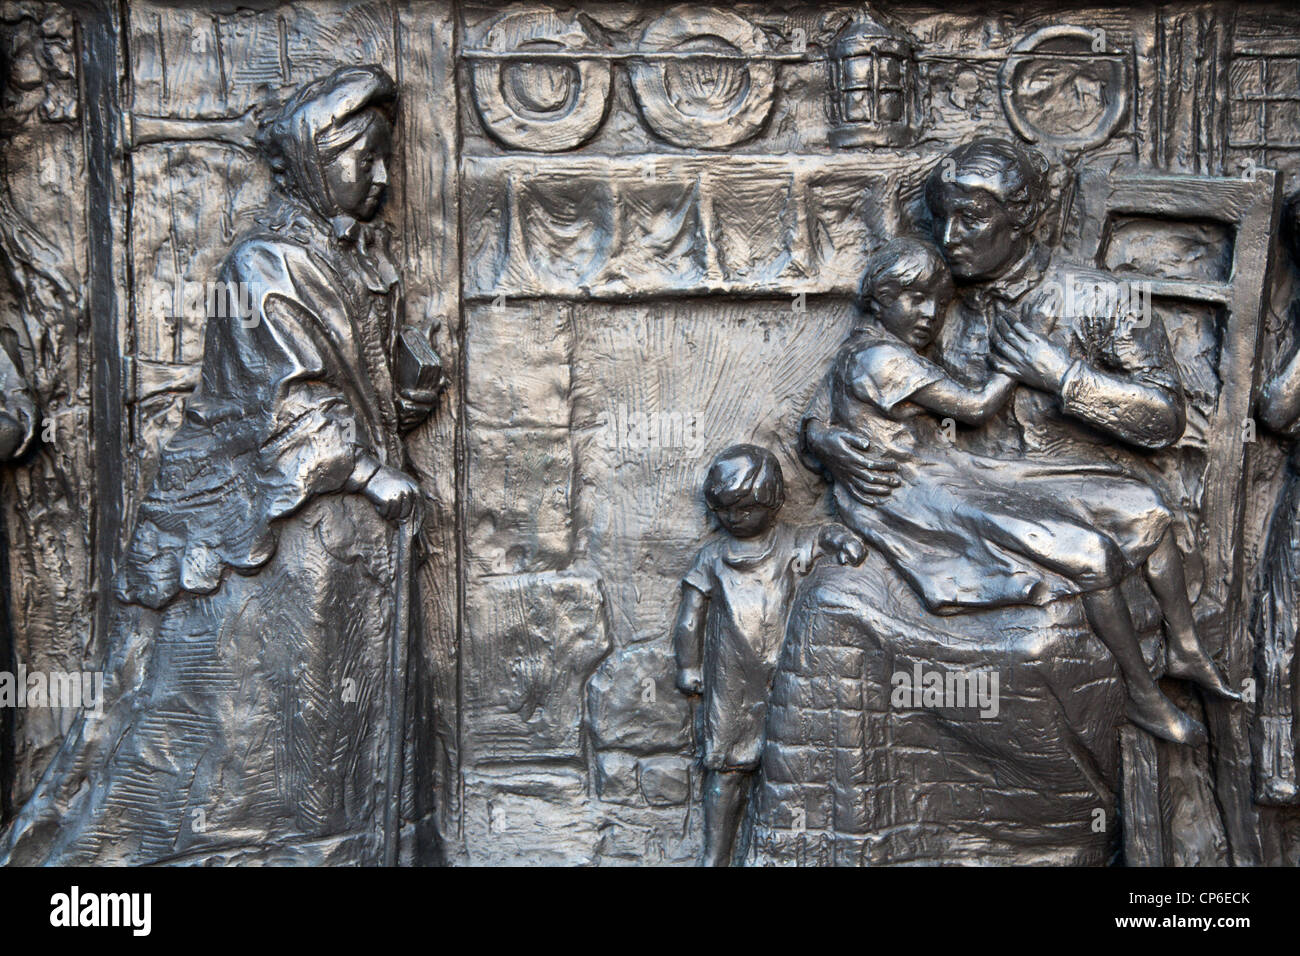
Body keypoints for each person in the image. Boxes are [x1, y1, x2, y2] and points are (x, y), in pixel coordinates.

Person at [0, 65, 444, 865]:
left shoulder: (353, 262)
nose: (380, 178)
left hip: (349, 527)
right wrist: (370, 470)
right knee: (275, 707)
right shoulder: (263, 263)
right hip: (276, 524)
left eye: (387, 161)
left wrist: (408, 388)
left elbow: (359, 391)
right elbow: (289, 400)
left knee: (338, 711)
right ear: (315, 160)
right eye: (362, 159)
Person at [826, 237, 1237, 746]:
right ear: (880, 297)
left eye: (973, 218)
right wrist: (819, 437)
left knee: (1145, 507)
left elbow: (1164, 420)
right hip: (938, 485)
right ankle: (1142, 695)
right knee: (1089, 553)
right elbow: (941, 404)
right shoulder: (887, 346)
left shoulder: (1094, 297)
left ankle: (1187, 645)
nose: (954, 234)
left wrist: (1064, 376)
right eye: (916, 298)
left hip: (985, 470)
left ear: (1021, 217)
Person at [673, 444, 864, 865]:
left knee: (789, 766)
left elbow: (824, 534)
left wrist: (843, 538)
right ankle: (716, 854)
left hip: (788, 678)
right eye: (725, 510)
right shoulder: (712, 558)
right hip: (732, 684)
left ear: (775, 502)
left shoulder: (792, 543)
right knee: (726, 770)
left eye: (746, 508)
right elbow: (690, 617)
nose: (735, 518)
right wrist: (688, 665)